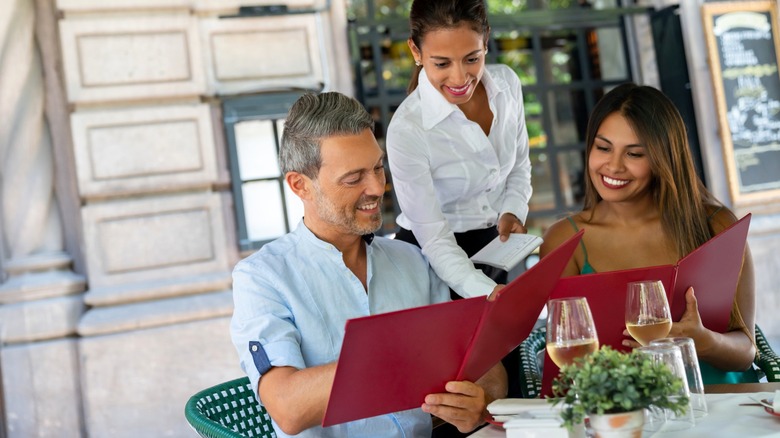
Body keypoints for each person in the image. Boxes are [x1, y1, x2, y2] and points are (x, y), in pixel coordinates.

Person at [230, 92, 507, 438]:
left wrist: (480, 402)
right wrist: (402, 354)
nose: (378, 187)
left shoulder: (412, 260)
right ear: (300, 185)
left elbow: (486, 367)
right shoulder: (262, 278)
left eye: (378, 167)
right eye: (353, 178)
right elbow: (288, 407)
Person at [539, 83, 756, 384]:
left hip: (721, 410)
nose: (613, 166)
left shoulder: (715, 225)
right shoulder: (565, 241)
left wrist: (702, 340)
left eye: (635, 154)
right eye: (603, 148)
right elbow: (565, 365)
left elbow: (746, 352)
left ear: (663, 159)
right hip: (626, 416)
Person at [386, 0, 533, 301]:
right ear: (416, 51)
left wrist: (512, 210)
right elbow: (435, 238)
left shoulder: (507, 85)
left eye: (471, 59)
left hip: (494, 246)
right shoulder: (407, 130)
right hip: (431, 261)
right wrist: (484, 290)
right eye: (442, 64)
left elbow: (519, 166)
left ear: (486, 42)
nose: (459, 78)